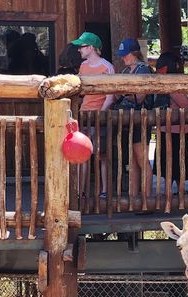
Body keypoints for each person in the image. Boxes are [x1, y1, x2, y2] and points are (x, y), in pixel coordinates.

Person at [71, 31, 115, 200]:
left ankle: (104, 191)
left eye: (81, 46)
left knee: (102, 155)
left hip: (100, 116)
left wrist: (100, 114)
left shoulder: (107, 67)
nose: (79, 50)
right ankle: (80, 192)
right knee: (82, 154)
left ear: (91, 47)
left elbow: (110, 95)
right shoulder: (83, 66)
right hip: (84, 115)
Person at [114, 38, 154, 202]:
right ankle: (134, 198)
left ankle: (146, 199)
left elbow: (140, 97)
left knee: (141, 159)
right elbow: (118, 95)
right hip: (127, 120)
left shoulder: (144, 70)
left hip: (140, 120)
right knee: (132, 161)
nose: (123, 58)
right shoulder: (126, 71)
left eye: (126, 54)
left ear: (135, 53)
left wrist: (124, 92)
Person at [154, 51, 188, 190]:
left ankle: (168, 190)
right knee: (177, 162)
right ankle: (179, 190)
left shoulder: (159, 83)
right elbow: (186, 105)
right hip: (176, 131)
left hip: (164, 129)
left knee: (167, 162)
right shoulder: (173, 85)